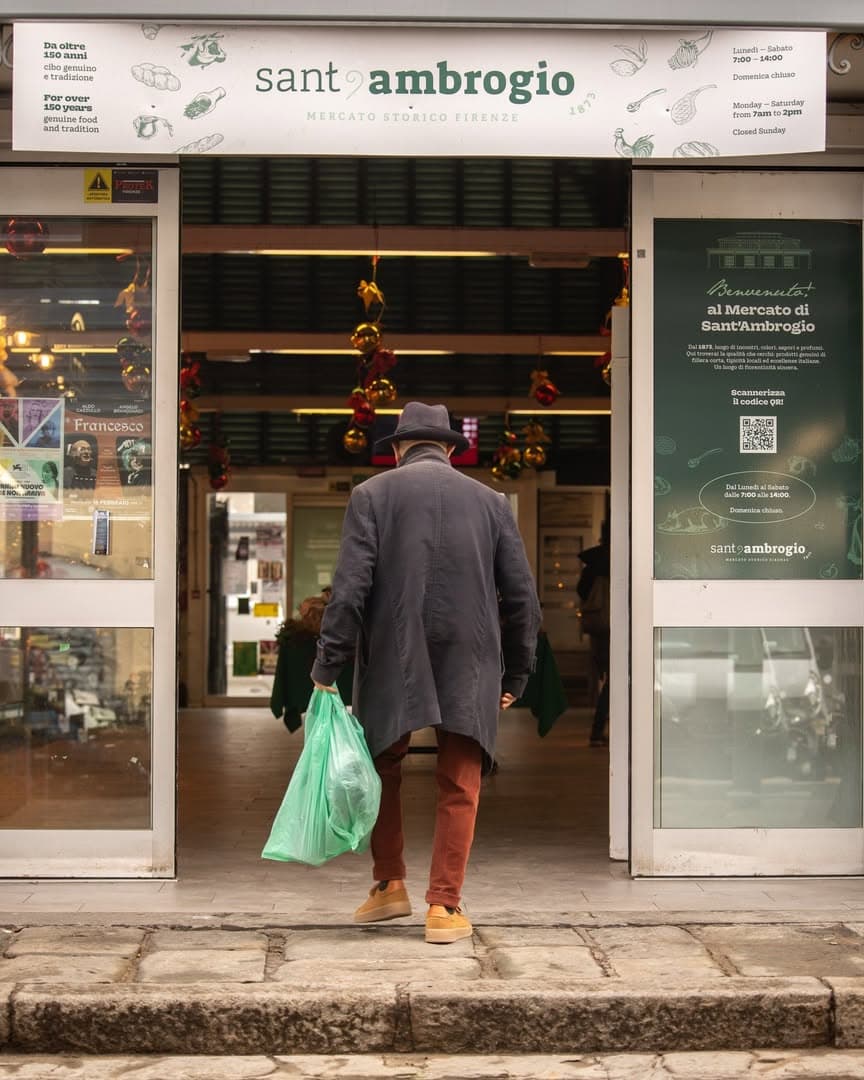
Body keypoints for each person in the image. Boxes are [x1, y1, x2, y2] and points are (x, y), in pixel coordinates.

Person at [311, 401, 541, 944]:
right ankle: (444, 906)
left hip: (393, 655)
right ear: (450, 450)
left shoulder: (371, 495)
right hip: (471, 659)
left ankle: (389, 883)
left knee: (380, 769)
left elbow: (349, 591)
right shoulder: (491, 503)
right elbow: (522, 600)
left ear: (397, 448)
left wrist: (328, 665)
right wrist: (516, 674)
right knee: (460, 778)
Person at [576, 527, 611, 747]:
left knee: (607, 678)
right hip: (616, 626)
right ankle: (598, 730)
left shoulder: (593, 563)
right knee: (616, 681)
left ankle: (598, 729)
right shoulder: (622, 560)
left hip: (599, 627)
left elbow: (581, 591)